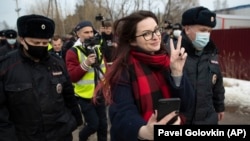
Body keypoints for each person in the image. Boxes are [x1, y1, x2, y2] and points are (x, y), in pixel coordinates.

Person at [93, 10, 195, 141]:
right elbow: (121, 112)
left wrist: (177, 73)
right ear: (132, 41)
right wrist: (143, 131)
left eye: (156, 30)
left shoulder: (168, 61)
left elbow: (188, 105)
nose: (156, 36)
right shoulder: (123, 69)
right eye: (147, 34)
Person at [0, 14, 83, 141]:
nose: (40, 46)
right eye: (35, 42)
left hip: (60, 134)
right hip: (26, 136)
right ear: (22, 39)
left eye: (45, 42)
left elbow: (68, 96)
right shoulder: (6, 67)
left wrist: (75, 120)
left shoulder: (58, 63)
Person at [168, 6, 225, 124]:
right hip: (181, 121)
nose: (207, 35)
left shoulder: (211, 52)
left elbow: (217, 83)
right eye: (203, 30)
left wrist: (219, 107)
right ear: (187, 29)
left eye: (209, 31)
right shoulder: (172, 52)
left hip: (208, 120)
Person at [65, 20, 107, 141]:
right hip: (84, 96)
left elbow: (104, 68)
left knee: (103, 126)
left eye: (91, 32)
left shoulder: (97, 48)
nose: (90, 35)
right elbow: (72, 76)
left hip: (99, 94)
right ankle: (82, 137)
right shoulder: (72, 51)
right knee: (94, 125)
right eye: (86, 32)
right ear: (78, 34)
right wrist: (86, 63)